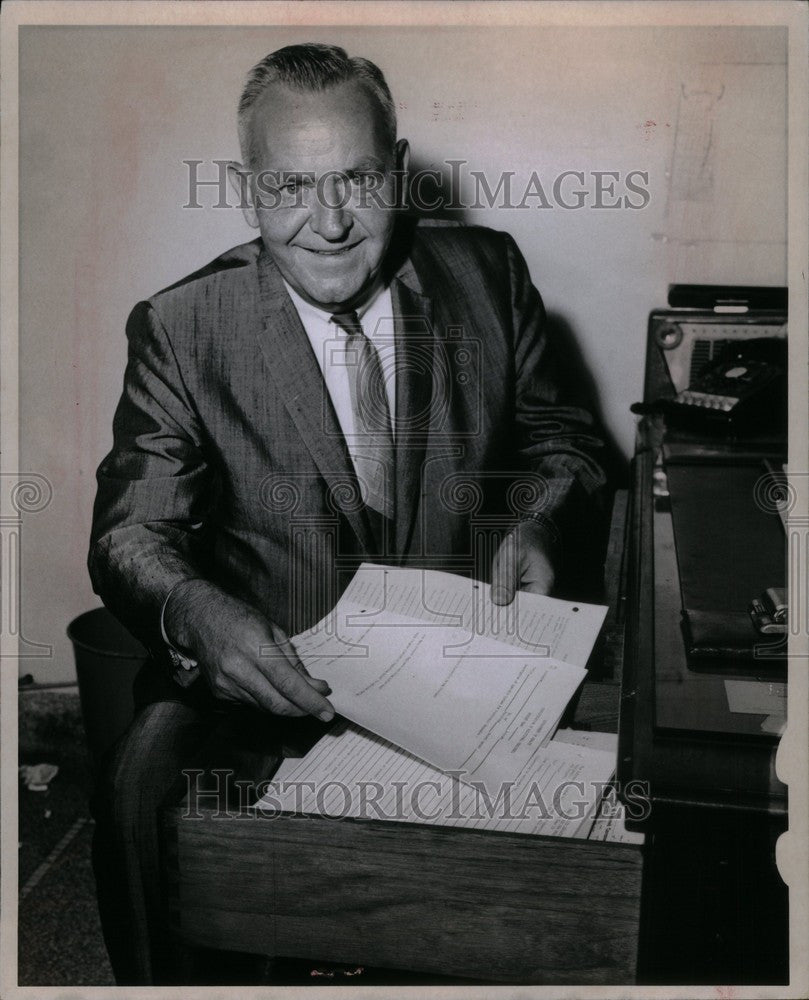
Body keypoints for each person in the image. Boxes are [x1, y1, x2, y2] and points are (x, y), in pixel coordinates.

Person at [88, 42, 608, 985]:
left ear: (397, 172)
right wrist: (200, 616)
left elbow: (563, 444)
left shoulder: (487, 276)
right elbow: (134, 532)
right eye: (289, 185)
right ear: (247, 191)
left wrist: (534, 520)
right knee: (139, 794)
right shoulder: (181, 326)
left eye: (357, 180)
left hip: (468, 676)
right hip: (265, 680)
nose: (327, 223)